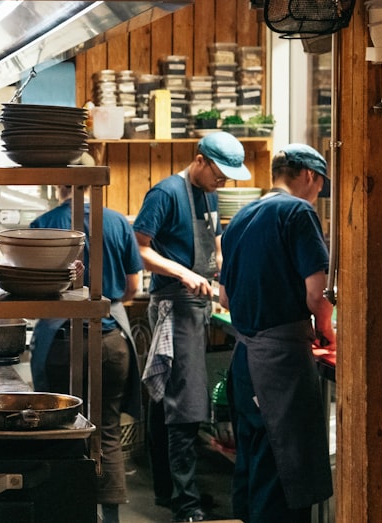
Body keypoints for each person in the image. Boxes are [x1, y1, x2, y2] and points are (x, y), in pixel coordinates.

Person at [132, 131, 250, 523]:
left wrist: (225, 279)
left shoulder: (209, 194)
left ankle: (170, 491)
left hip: (199, 303)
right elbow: (140, 248)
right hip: (173, 304)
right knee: (185, 406)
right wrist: (183, 273)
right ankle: (186, 505)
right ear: (199, 159)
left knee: (169, 398)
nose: (224, 181)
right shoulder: (165, 193)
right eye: (220, 172)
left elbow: (214, 242)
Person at [218, 144, 335, 523]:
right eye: (319, 186)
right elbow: (317, 294)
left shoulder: (240, 217)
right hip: (280, 366)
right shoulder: (299, 211)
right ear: (309, 176)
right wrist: (327, 331)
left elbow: (224, 295)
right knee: (283, 470)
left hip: (245, 362)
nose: (318, 193)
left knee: (254, 465)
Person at [29, 155, 145, 523]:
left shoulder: (43, 225)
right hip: (111, 342)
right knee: (106, 430)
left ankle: (70, 513)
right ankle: (109, 517)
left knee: (63, 431)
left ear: (59, 182)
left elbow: (31, 293)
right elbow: (132, 288)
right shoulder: (116, 222)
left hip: (61, 344)